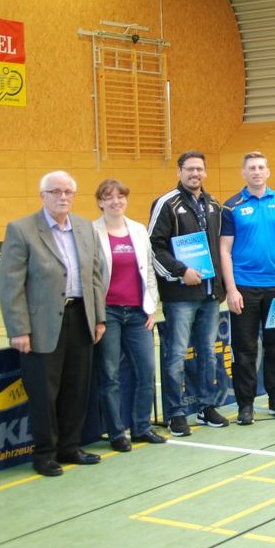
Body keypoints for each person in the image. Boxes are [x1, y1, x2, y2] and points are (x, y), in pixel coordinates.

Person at [0, 171, 107, 477]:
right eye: (56, 191)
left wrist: (98, 317)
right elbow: (10, 285)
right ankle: (44, 453)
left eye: (68, 192)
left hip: (80, 318)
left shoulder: (85, 228)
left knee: (76, 387)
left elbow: (95, 277)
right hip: (41, 323)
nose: (63, 197)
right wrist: (18, 328)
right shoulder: (21, 230)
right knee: (44, 393)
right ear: (42, 195)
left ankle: (70, 447)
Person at [148, 151, 229, 437]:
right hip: (180, 295)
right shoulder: (166, 203)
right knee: (177, 355)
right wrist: (181, 271)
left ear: (205, 173)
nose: (195, 174)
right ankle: (176, 413)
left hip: (209, 295)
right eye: (190, 169)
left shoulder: (213, 204)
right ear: (180, 171)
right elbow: (154, 248)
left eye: (200, 169)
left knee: (209, 353)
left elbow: (221, 249)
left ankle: (207, 407)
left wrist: (221, 286)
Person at [220, 152, 275, 425]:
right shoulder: (231, 207)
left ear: (268, 172)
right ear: (243, 173)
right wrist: (231, 289)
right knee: (244, 350)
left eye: (261, 167)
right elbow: (224, 250)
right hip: (245, 288)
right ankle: (246, 405)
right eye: (251, 168)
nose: (257, 172)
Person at [93, 179, 164, 451]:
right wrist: (97, 316)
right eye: (108, 197)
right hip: (108, 313)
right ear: (100, 202)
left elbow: (148, 271)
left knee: (146, 371)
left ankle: (141, 427)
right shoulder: (91, 232)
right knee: (110, 375)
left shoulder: (138, 230)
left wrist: (151, 306)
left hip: (137, 313)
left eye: (120, 196)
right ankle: (116, 433)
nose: (115, 201)